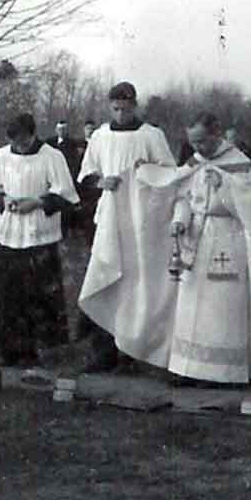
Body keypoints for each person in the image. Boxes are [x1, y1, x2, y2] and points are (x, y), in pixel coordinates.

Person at [78, 111, 251, 385]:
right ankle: (189, 369)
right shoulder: (196, 161)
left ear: (216, 134)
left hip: (227, 239)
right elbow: (184, 196)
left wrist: (226, 186)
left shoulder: (239, 163)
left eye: (202, 141)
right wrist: (179, 220)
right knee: (189, 308)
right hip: (194, 240)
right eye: (193, 142)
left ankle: (221, 373)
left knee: (221, 310)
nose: (197, 148)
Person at [76, 81, 176, 372]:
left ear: (135, 105)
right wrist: (100, 181)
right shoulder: (99, 136)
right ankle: (103, 352)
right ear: (110, 107)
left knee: (135, 285)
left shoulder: (152, 135)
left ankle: (131, 353)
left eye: (126, 108)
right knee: (106, 279)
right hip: (108, 217)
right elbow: (85, 174)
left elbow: (170, 174)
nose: (121, 114)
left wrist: (148, 171)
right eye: (116, 108)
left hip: (140, 220)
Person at [0, 113, 79, 367]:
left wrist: (36, 202)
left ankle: (33, 350)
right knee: (7, 291)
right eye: (14, 141)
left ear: (33, 134)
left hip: (39, 233)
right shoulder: (2, 155)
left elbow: (66, 194)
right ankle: (7, 348)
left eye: (23, 141)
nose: (18, 146)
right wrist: (5, 201)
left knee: (36, 292)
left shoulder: (52, 156)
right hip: (11, 231)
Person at [46, 120, 82, 236]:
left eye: (64, 129)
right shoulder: (50, 142)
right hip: (52, 175)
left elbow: (75, 161)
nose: (62, 132)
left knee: (67, 203)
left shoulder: (72, 143)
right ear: (56, 130)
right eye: (60, 129)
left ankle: (68, 229)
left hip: (67, 175)